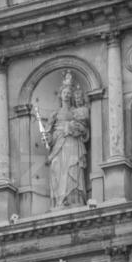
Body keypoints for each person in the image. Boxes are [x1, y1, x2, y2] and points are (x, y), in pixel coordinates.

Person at [46, 71, 90, 208]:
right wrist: (48, 138)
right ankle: (60, 200)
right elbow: (49, 135)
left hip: (72, 142)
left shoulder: (77, 112)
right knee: (57, 167)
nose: (67, 95)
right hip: (58, 145)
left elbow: (84, 129)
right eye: (65, 93)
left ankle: (74, 199)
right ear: (60, 95)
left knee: (73, 168)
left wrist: (73, 128)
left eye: (69, 93)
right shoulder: (55, 114)